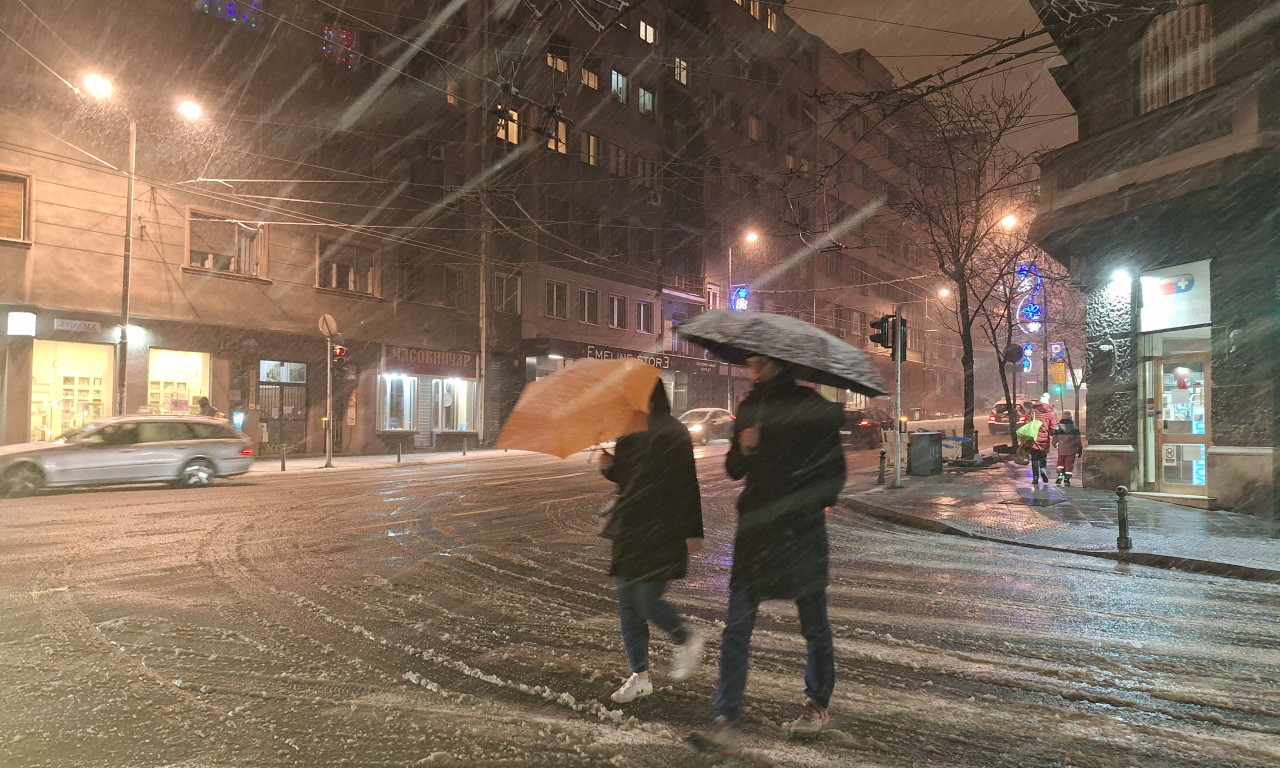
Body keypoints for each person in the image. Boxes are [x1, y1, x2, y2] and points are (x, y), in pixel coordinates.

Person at [687, 355, 846, 757]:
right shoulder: (749, 408)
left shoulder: (812, 408)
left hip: (800, 532)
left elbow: (834, 473)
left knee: (813, 624)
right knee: (736, 627)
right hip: (757, 531)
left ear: (777, 363)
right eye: (750, 363)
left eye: (758, 363)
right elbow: (734, 470)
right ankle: (725, 719)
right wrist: (744, 449)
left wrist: (805, 505)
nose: (750, 369)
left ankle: (817, 704)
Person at [598, 382, 705, 705]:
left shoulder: (673, 431)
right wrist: (610, 469)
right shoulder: (629, 429)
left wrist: (692, 530)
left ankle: (684, 638)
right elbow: (630, 477)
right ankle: (640, 676)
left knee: (647, 599)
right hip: (630, 527)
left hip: (662, 526)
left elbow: (687, 482)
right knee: (628, 604)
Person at [1026, 393, 1059, 488]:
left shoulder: (1033, 411)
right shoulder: (1051, 413)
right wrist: (1054, 433)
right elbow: (1053, 427)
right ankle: (1043, 471)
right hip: (1044, 438)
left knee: (1035, 459)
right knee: (1043, 458)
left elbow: (1027, 422)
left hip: (1033, 437)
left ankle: (1035, 477)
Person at [1052, 411, 1084, 486]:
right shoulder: (1074, 427)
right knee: (1069, 464)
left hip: (1061, 448)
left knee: (1060, 462)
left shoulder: (1058, 427)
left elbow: (1055, 438)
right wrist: (1079, 448)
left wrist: (1055, 445)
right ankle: (1067, 478)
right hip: (1071, 449)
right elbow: (1078, 440)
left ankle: (1060, 474)